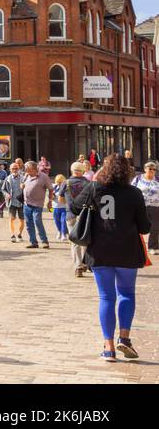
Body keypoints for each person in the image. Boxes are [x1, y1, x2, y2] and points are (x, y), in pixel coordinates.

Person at [71, 154, 152, 361]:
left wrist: (94, 181)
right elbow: (144, 227)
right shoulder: (134, 192)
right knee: (126, 294)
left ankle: (108, 348)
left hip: (100, 251)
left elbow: (74, 207)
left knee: (106, 297)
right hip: (127, 250)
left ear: (103, 170)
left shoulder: (95, 188)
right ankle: (124, 338)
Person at [66, 161, 91, 276]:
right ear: (83, 171)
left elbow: (61, 199)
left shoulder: (66, 183)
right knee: (85, 239)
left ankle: (78, 266)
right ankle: (85, 262)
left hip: (70, 214)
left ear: (72, 170)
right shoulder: (88, 183)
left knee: (74, 241)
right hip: (85, 214)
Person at [21, 161, 52, 249]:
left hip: (38, 204)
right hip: (26, 204)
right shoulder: (26, 175)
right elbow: (23, 184)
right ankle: (33, 242)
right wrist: (22, 185)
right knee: (28, 223)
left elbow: (51, 189)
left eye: (27, 168)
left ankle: (44, 241)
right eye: (26, 168)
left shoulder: (43, 176)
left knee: (37, 221)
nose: (25, 170)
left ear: (34, 168)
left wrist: (49, 201)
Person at [131, 161, 159, 251]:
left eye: (154, 169)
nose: (152, 170)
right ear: (145, 169)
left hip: (155, 206)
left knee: (155, 226)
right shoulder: (138, 178)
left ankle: (152, 246)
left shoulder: (157, 179)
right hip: (141, 206)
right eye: (150, 168)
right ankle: (135, 246)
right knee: (137, 225)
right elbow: (132, 190)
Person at [4, 162, 26, 242]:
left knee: (22, 219)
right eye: (13, 168)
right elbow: (3, 189)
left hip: (22, 202)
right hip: (11, 202)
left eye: (16, 168)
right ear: (10, 170)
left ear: (19, 169)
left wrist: (24, 187)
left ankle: (19, 235)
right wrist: (6, 194)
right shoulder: (8, 178)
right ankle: (12, 235)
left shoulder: (23, 178)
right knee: (11, 219)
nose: (14, 170)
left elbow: (28, 188)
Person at [51, 175, 69, 241]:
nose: (59, 183)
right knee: (56, 220)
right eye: (58, 182)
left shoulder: (66, 187)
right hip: (55, 207)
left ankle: (64, 234)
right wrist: (52, 195)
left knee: (63, 221)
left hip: (64, 207)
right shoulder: (54, 187)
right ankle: (59, 231)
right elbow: (50, 197)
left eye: (60, 182)